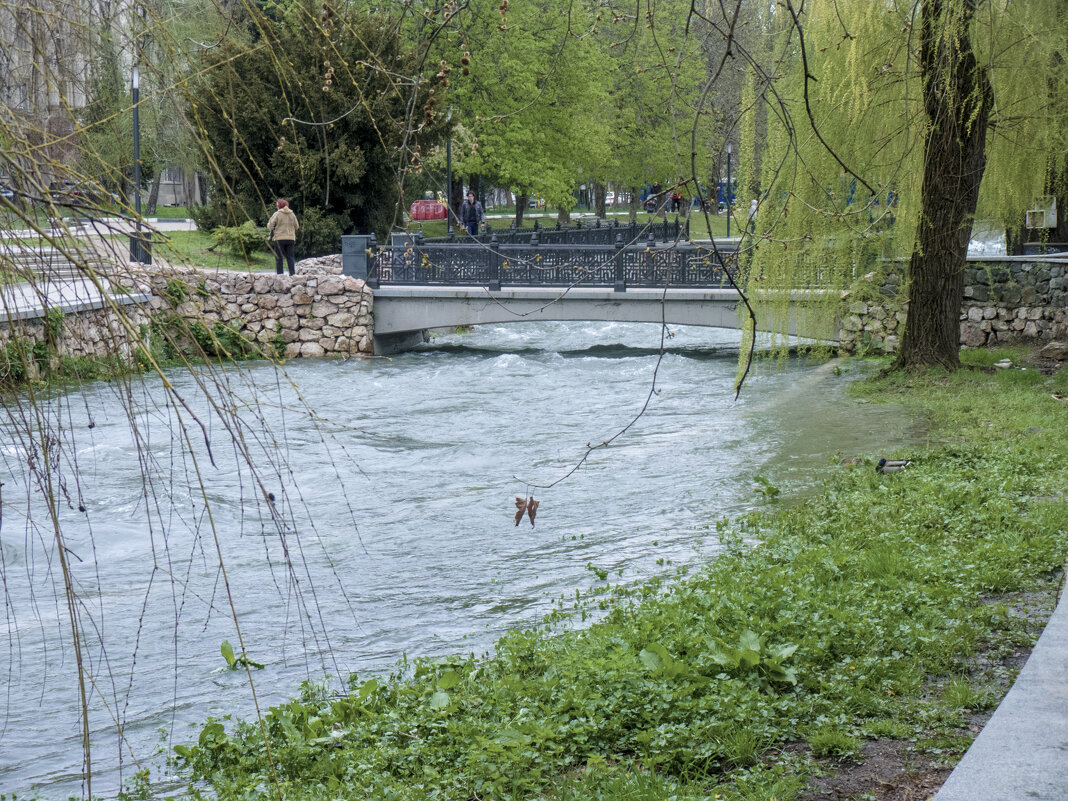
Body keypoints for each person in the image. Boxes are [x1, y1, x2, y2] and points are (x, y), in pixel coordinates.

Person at [267, 198, 299, 275]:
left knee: (279, 258)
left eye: (277, 205)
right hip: (290, 238)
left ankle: (280, 275)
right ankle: (292, 275)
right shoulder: (292, 214)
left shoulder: (277, 214)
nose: (276, 206)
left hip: (279, 238)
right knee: (290, 257)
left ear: (279, 206)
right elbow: (297, 226)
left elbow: (270, 225)